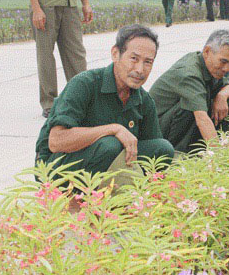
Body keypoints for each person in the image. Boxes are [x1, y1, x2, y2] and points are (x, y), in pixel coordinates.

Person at [34, 25, 175, 176]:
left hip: (107, 164)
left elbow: (153, 148)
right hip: (58, 167)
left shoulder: (144, 100)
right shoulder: (84, 84)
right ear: (115, 54)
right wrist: (113, 129)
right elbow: (56, 142)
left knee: (163, 149)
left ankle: (128, 194)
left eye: (148, 62)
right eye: (134, 58)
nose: (140, 69)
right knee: (110, 145)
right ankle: (78, 196)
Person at [150, 30, 229, 153]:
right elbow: (202, 119)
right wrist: (221, 159)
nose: (226, 68)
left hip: (176, 123)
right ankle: (182, 155)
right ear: (207, 51)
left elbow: (228, 86)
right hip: (158, 133)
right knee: (190, 107)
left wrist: (222, 96)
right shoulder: (190, 73)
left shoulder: (210, 66)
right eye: (223, 62)